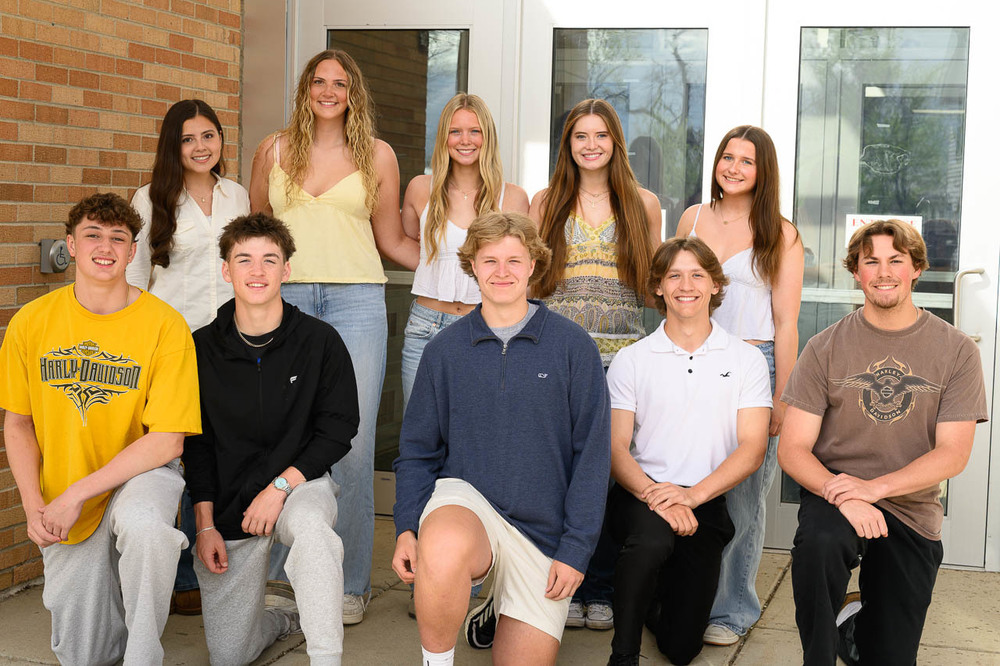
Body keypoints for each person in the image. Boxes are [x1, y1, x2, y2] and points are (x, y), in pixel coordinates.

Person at [392, 212, 611, 666]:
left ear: (533, 264)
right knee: (444, 545)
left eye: (514, 260)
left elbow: (592, 457)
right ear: (472, 266)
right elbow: (417, 452)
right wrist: (407, 527)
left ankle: (494, 605)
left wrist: (575, 551)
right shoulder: (444, 351)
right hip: (467, 506)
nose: (502, 272)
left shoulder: (573, 347)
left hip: (541, 534)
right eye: (489, 261)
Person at [249, 48, 418, 624]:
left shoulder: (378, 155)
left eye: (339, 83)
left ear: (352, 93)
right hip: (286, 300)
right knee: (282, 431)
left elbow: (392, 240)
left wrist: (461, 268)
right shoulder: (273, 150)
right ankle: (281, 575)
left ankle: (349, 584)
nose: (328, 91)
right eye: (318, 81)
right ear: (305, 90)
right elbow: (257, 234)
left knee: (354, 439)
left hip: (357, 302)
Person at [0, 193, 201, 664]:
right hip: (66, 481)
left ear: (133, 252)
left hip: (143, 473)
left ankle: (142, 655)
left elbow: (168, 440)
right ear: (71, 245)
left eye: (118, 238)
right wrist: (34, 506)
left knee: (147, 530)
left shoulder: (165, 326)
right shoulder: (31, 322)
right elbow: (18, 424)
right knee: (83, 655)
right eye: (92, 235)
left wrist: (77, 494)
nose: (105, 247)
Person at [778, 220, 986, 665]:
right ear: (856, 271)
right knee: (819, 546)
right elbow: (792, 449)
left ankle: (853, 624)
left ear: (917, 269)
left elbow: (953, 453)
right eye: (871, 261)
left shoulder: (956, 350)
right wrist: (844, 494)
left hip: (910, 504)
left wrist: (874, 490)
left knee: (888, 655)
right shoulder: (824, 347)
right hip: (836, 493)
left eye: (896, 260)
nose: (884, 272)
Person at [183, 213, 360, 665]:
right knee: (229, 655)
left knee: (313, 532)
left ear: (286, 269)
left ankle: (326, 658)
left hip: (299, 486)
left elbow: (338, 428)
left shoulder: (320, 341)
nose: (257, 271)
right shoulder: (200, 348)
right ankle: (282, 621)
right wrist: (204, 525)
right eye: (244, 259)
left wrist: (280, 486)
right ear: (226, 270)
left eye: (269, 259)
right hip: (230, 505)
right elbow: (196, 445)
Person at [605, 237, 771, 666]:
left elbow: (753, 448)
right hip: (642, 493)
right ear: (658, 287)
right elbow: (615, 448)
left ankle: (653, 593)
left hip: (705, 499)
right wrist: (657, 496)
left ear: (715, 284)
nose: (686, 285)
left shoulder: (746, 359)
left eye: (697, 274)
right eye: (674, 275)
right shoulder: (632, 359)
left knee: (681, 650)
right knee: (649, 543)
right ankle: (623, 656)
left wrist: (691, 497)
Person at [529, 97, 661, 631]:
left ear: (615, 143)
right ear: (568, 144)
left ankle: (600, 588)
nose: (591, 145)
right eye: (580, 136)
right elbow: (533, 283)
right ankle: (560, 586)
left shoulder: (642, 203)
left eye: (600, 135)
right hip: (560, 359)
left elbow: (652, 287)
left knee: (607, 476)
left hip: (623, 359)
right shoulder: (546, 201)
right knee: (558, 474)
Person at [674, 125, 804, 645]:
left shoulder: (782, 234)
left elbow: (787, 323)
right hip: (692, 362)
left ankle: (732, 610)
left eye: (746, 161)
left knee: (743, 498)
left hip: (754, 366)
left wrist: (783, 398)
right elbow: (673, 292)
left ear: (762, 170)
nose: (733, 167)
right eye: (727, 157)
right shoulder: (692, 218)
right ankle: (684, 598)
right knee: (688, 479)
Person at [127, 98, 251, 616]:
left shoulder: (236, 194)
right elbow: (135, 280)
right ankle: (178, 577)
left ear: (221, 139)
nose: (201, 147)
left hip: (228, 342)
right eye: (188, 139)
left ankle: (218, 556)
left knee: (220, 450)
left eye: (209, 136)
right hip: (172, 344)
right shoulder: (150, 198)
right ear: (172, 146)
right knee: (174, 451)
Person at [400, 92, 529, 408]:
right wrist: (434, 267)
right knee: (421, 427)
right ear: (443, 137)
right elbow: (408, 243)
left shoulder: (513, 197)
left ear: (488, 137)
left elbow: (520, 265)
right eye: (455, 131)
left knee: (479, 427)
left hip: (487, 326)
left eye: (474, 131)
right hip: (426, 327)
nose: (465, 140)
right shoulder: (421, 188)